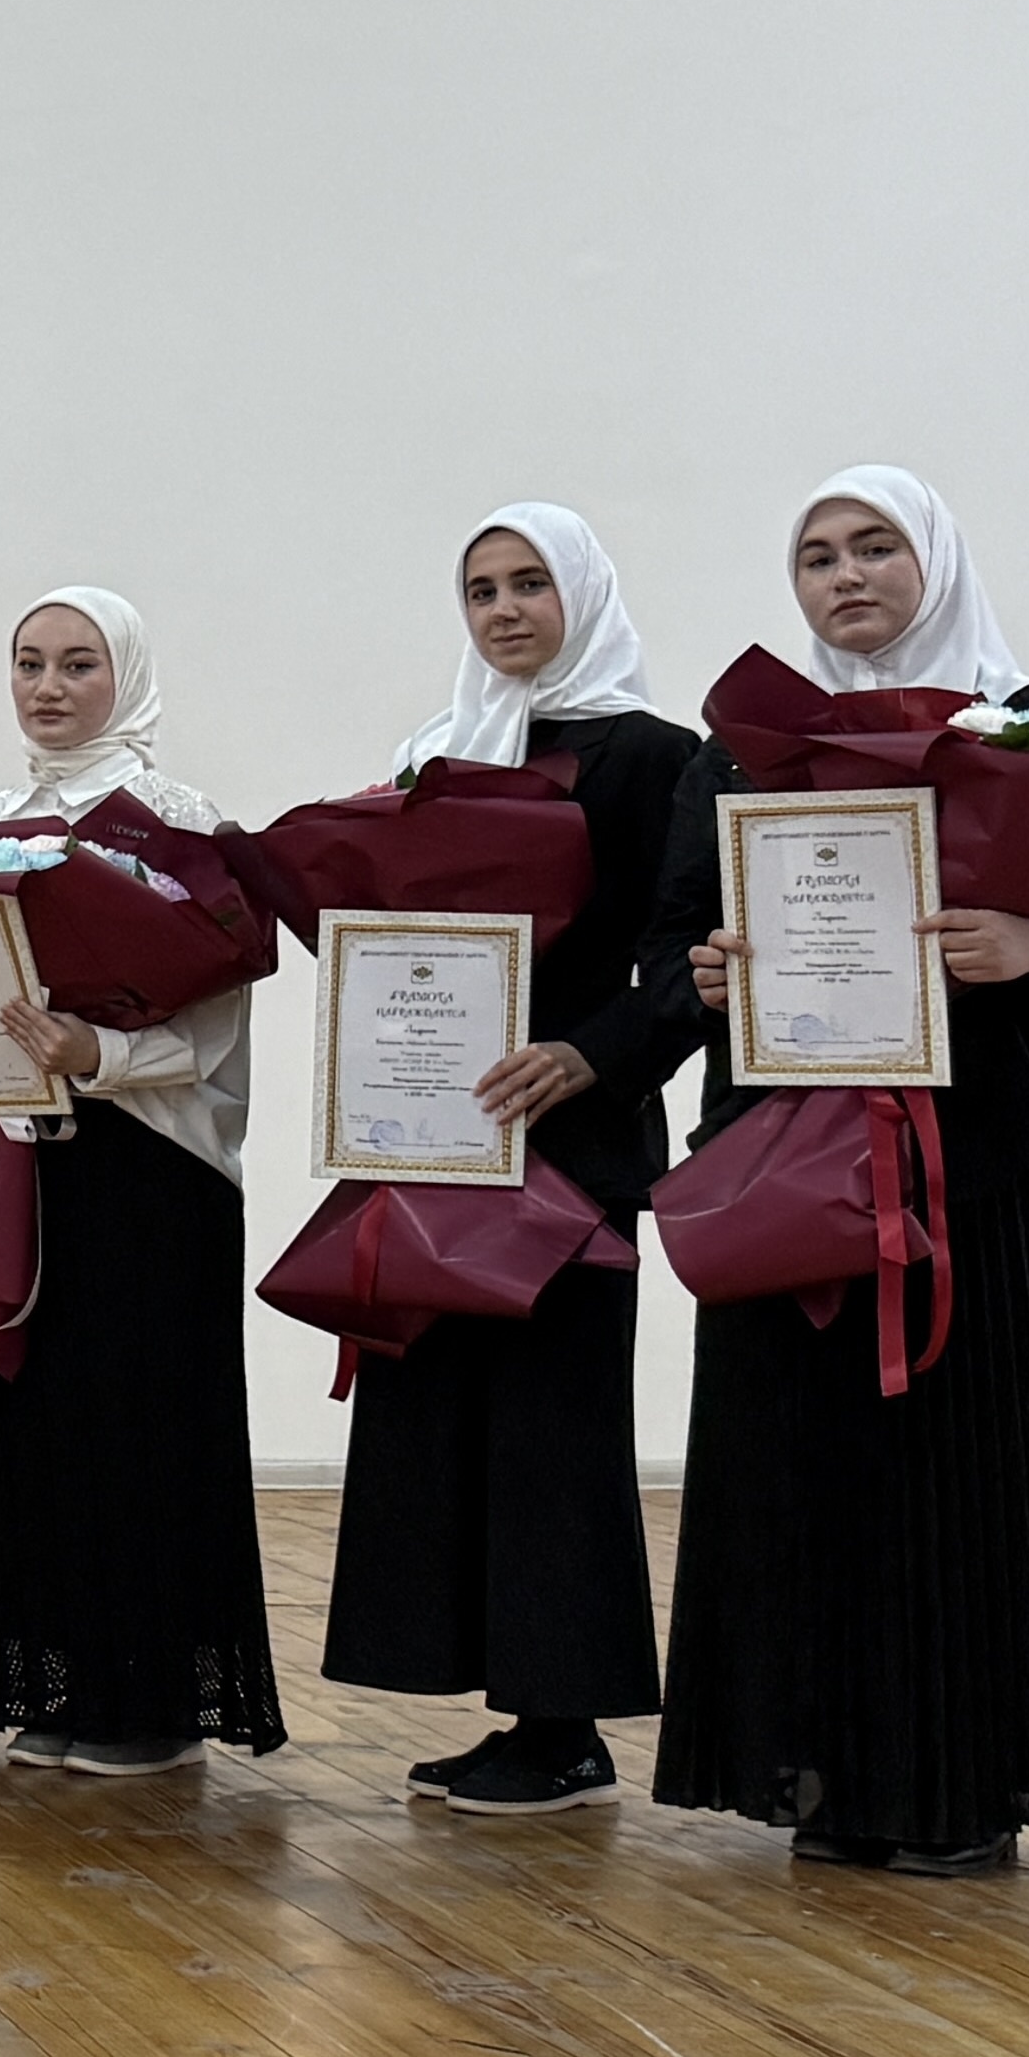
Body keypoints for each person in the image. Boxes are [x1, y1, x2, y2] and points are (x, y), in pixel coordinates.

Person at [659, 469, 1029, 1877]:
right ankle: (823, 1776)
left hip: (989, 1174)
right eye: (818, 556)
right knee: (806, 1477)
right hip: (797, 1166)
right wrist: (708, 972)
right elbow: (674, 938)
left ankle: (965, 1787)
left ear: (935, 561)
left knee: (972, 1481)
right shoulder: (743, 753)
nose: (847, 575)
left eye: (876, 546)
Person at [312, 505, 700, 1816]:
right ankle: (504, 1706)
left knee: (554, 1435)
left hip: (574, 1143)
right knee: (450, 1431)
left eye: (531, 582)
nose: (505, 609)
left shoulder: (657, 759)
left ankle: (565, 1726)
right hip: (445, 1135)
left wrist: (592, 1056)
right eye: (481, 589)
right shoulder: (442, 751)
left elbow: (687, 961)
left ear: (583, 592)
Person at [0, 586, 284, 1776]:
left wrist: (96, 1051)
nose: (48, 687)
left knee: (145, 1432)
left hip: (154, 1166)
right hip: (23, 1156)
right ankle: (55, 1685)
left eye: (78, 664)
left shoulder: (182, 823)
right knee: (32, 1427)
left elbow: (214, 1027)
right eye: (29, 662)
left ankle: (152, 1704)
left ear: (126, 675)